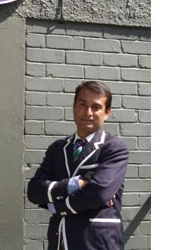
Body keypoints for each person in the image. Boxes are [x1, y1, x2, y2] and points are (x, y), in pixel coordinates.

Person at [27, 80, 130, 250]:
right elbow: (34, 191)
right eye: (82, 104)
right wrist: (74, 184)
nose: (88, 112)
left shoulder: (114, 148)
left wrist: (57, 206)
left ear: (107, 113)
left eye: (96, 107)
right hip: (59, 242)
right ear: (74, 107)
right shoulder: (57, 148)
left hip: (97, 243)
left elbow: (99, 192)